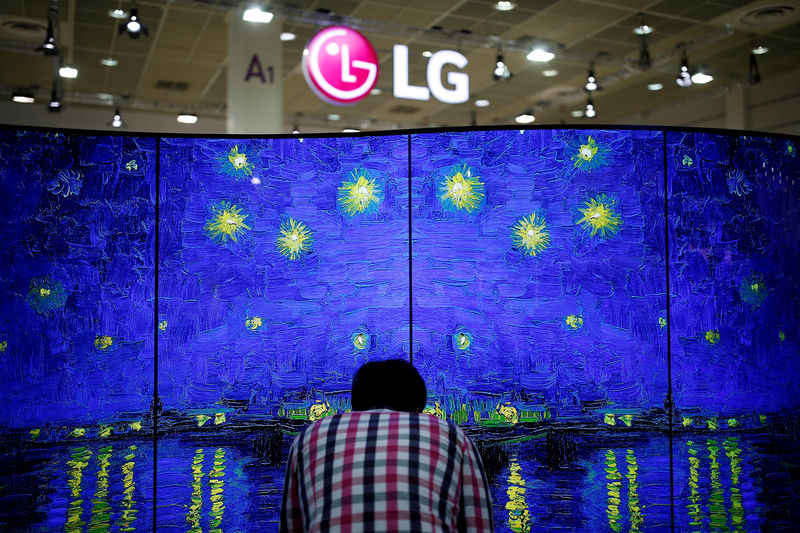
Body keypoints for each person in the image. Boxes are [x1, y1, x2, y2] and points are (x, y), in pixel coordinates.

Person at [280, 359, 494, 532]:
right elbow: (479, 525)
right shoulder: (452, 436)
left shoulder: (311, 436)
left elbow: (292, 526)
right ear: (418, 405)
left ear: (356, 405)